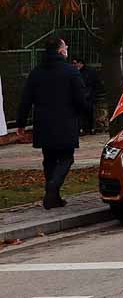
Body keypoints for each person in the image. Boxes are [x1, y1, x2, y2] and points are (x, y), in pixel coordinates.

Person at [16, 37, 88, 209]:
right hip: (66, 122)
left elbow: (26, 99)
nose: (67, 48)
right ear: (60, 51)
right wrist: (84, 114)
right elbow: (80, 98)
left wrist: (21, 123)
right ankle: (53, 186)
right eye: (65, 46)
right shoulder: (71, 72)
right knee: (66, 158)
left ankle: (53, 198)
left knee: (48, 159)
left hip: (44, 123)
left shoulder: (37, 72)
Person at [71, 59, 102, 135]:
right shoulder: (75, 72)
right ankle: (82, 129)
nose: (74, 65)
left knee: (90, 113)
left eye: (75, 63)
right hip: (81, 96)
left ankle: (92, 128)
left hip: (90, 96)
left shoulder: (90, 72)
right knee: (81, 114)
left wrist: (93, 94)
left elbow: (95, 84)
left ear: (80, 63)